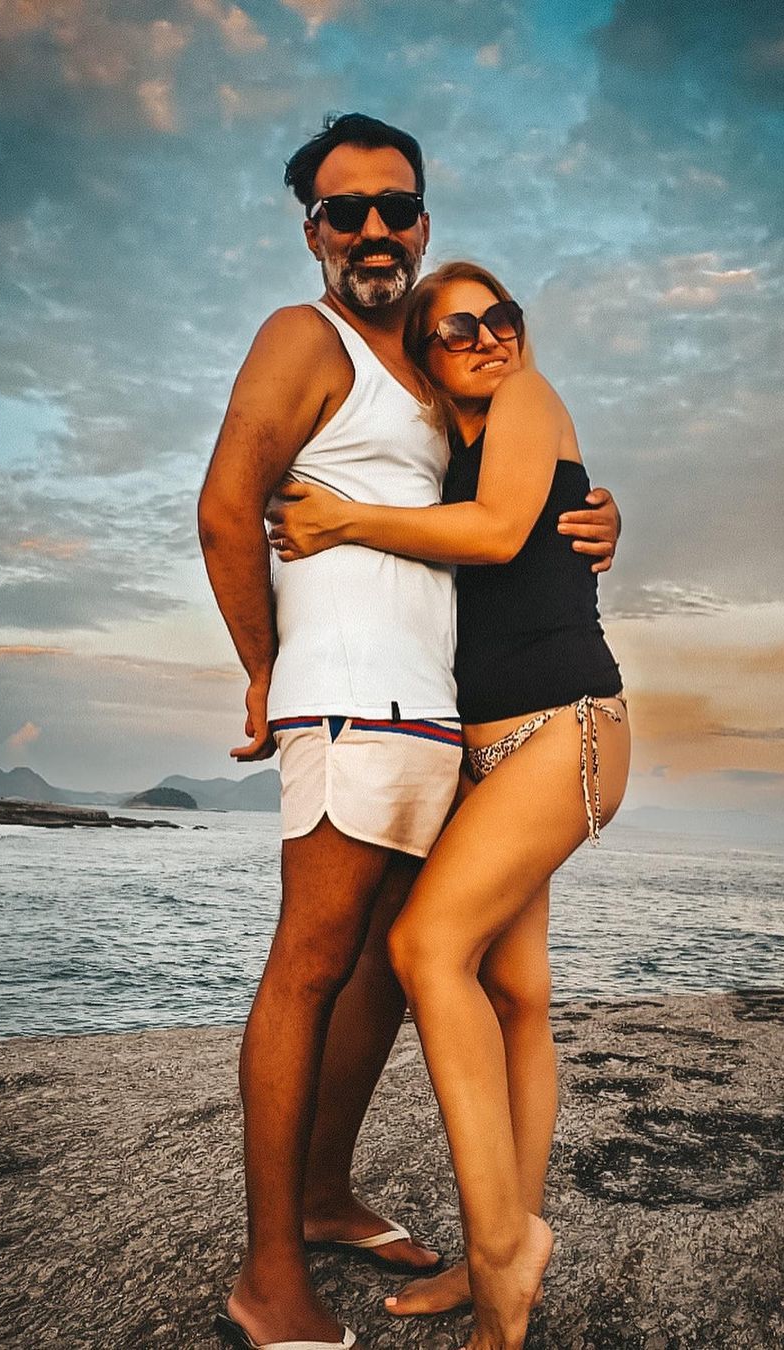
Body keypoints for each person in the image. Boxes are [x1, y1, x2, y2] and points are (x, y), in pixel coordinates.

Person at [198, 115, 621, 1350]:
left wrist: (593, 513)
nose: (373, 229)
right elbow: (226, 511)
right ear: (314, 232)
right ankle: (271, 1273)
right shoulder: (305, 336)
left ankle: (328, 1194)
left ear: (423, 222)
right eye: (347, 211)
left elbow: (506, 516)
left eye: (396, 207)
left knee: (393, 967)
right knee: (316, 964)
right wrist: (262, 673)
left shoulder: (438, 386)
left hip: (436, 716)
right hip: (349, 701)